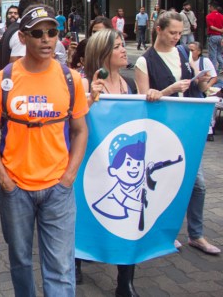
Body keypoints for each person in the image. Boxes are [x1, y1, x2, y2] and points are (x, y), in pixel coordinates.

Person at [0, 5, 89, 297]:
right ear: (24, 38)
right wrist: (4, 179)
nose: (46, 39)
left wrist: (69, 176)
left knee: (61, 268)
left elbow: (80, 130)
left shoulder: (71, 80)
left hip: (58, 189)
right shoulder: (0, 82)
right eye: (38, 33)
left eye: (52, 32)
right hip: (16, 190)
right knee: (21, 262)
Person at [134, 11, 221, 256]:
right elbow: (143, 97)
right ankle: (166, 233)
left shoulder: (183, 52)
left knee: (198, 185)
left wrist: (203, 82)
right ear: (158, 30)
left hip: (187, 127)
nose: (176, 37)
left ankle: (196, 234)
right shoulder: (146, 60)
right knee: (166, 183)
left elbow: (195, 83)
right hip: (163, 129)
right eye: (172, 32)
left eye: (179, 33)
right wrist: (169, 89)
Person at [79, 28, 140, 296]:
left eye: (123, 45)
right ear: (102, 53)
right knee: (84, 213)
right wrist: (90, 98)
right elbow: (75, 121)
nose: (123, 50)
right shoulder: (83, 83)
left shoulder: (129, 84)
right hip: (90, 163)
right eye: (117, 47)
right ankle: (76, 259)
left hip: (119, 168)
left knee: (130, 221)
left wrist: (155, 96)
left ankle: (125, 282)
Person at [188, 41, 219, 141]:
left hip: (202, 88)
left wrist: (207, 86)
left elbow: (214, 77)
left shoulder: (204, 61)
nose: (190, 52)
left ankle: (209, 130)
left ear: (199, 51)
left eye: (192, 50)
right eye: (188, 50)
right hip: (190, 88)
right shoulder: (185, 61)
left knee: (208, 103)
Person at [205, 1, 223, 74]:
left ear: (212, 7)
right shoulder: (221, 16)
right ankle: (221, 66)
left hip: (213, 36)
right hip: (220, 36)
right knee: (219, 53)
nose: (209, 8)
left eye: (209, 7)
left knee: (213, 54)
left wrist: (219, 30)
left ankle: (213, 70)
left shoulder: (209, 16)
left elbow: (211, 27)